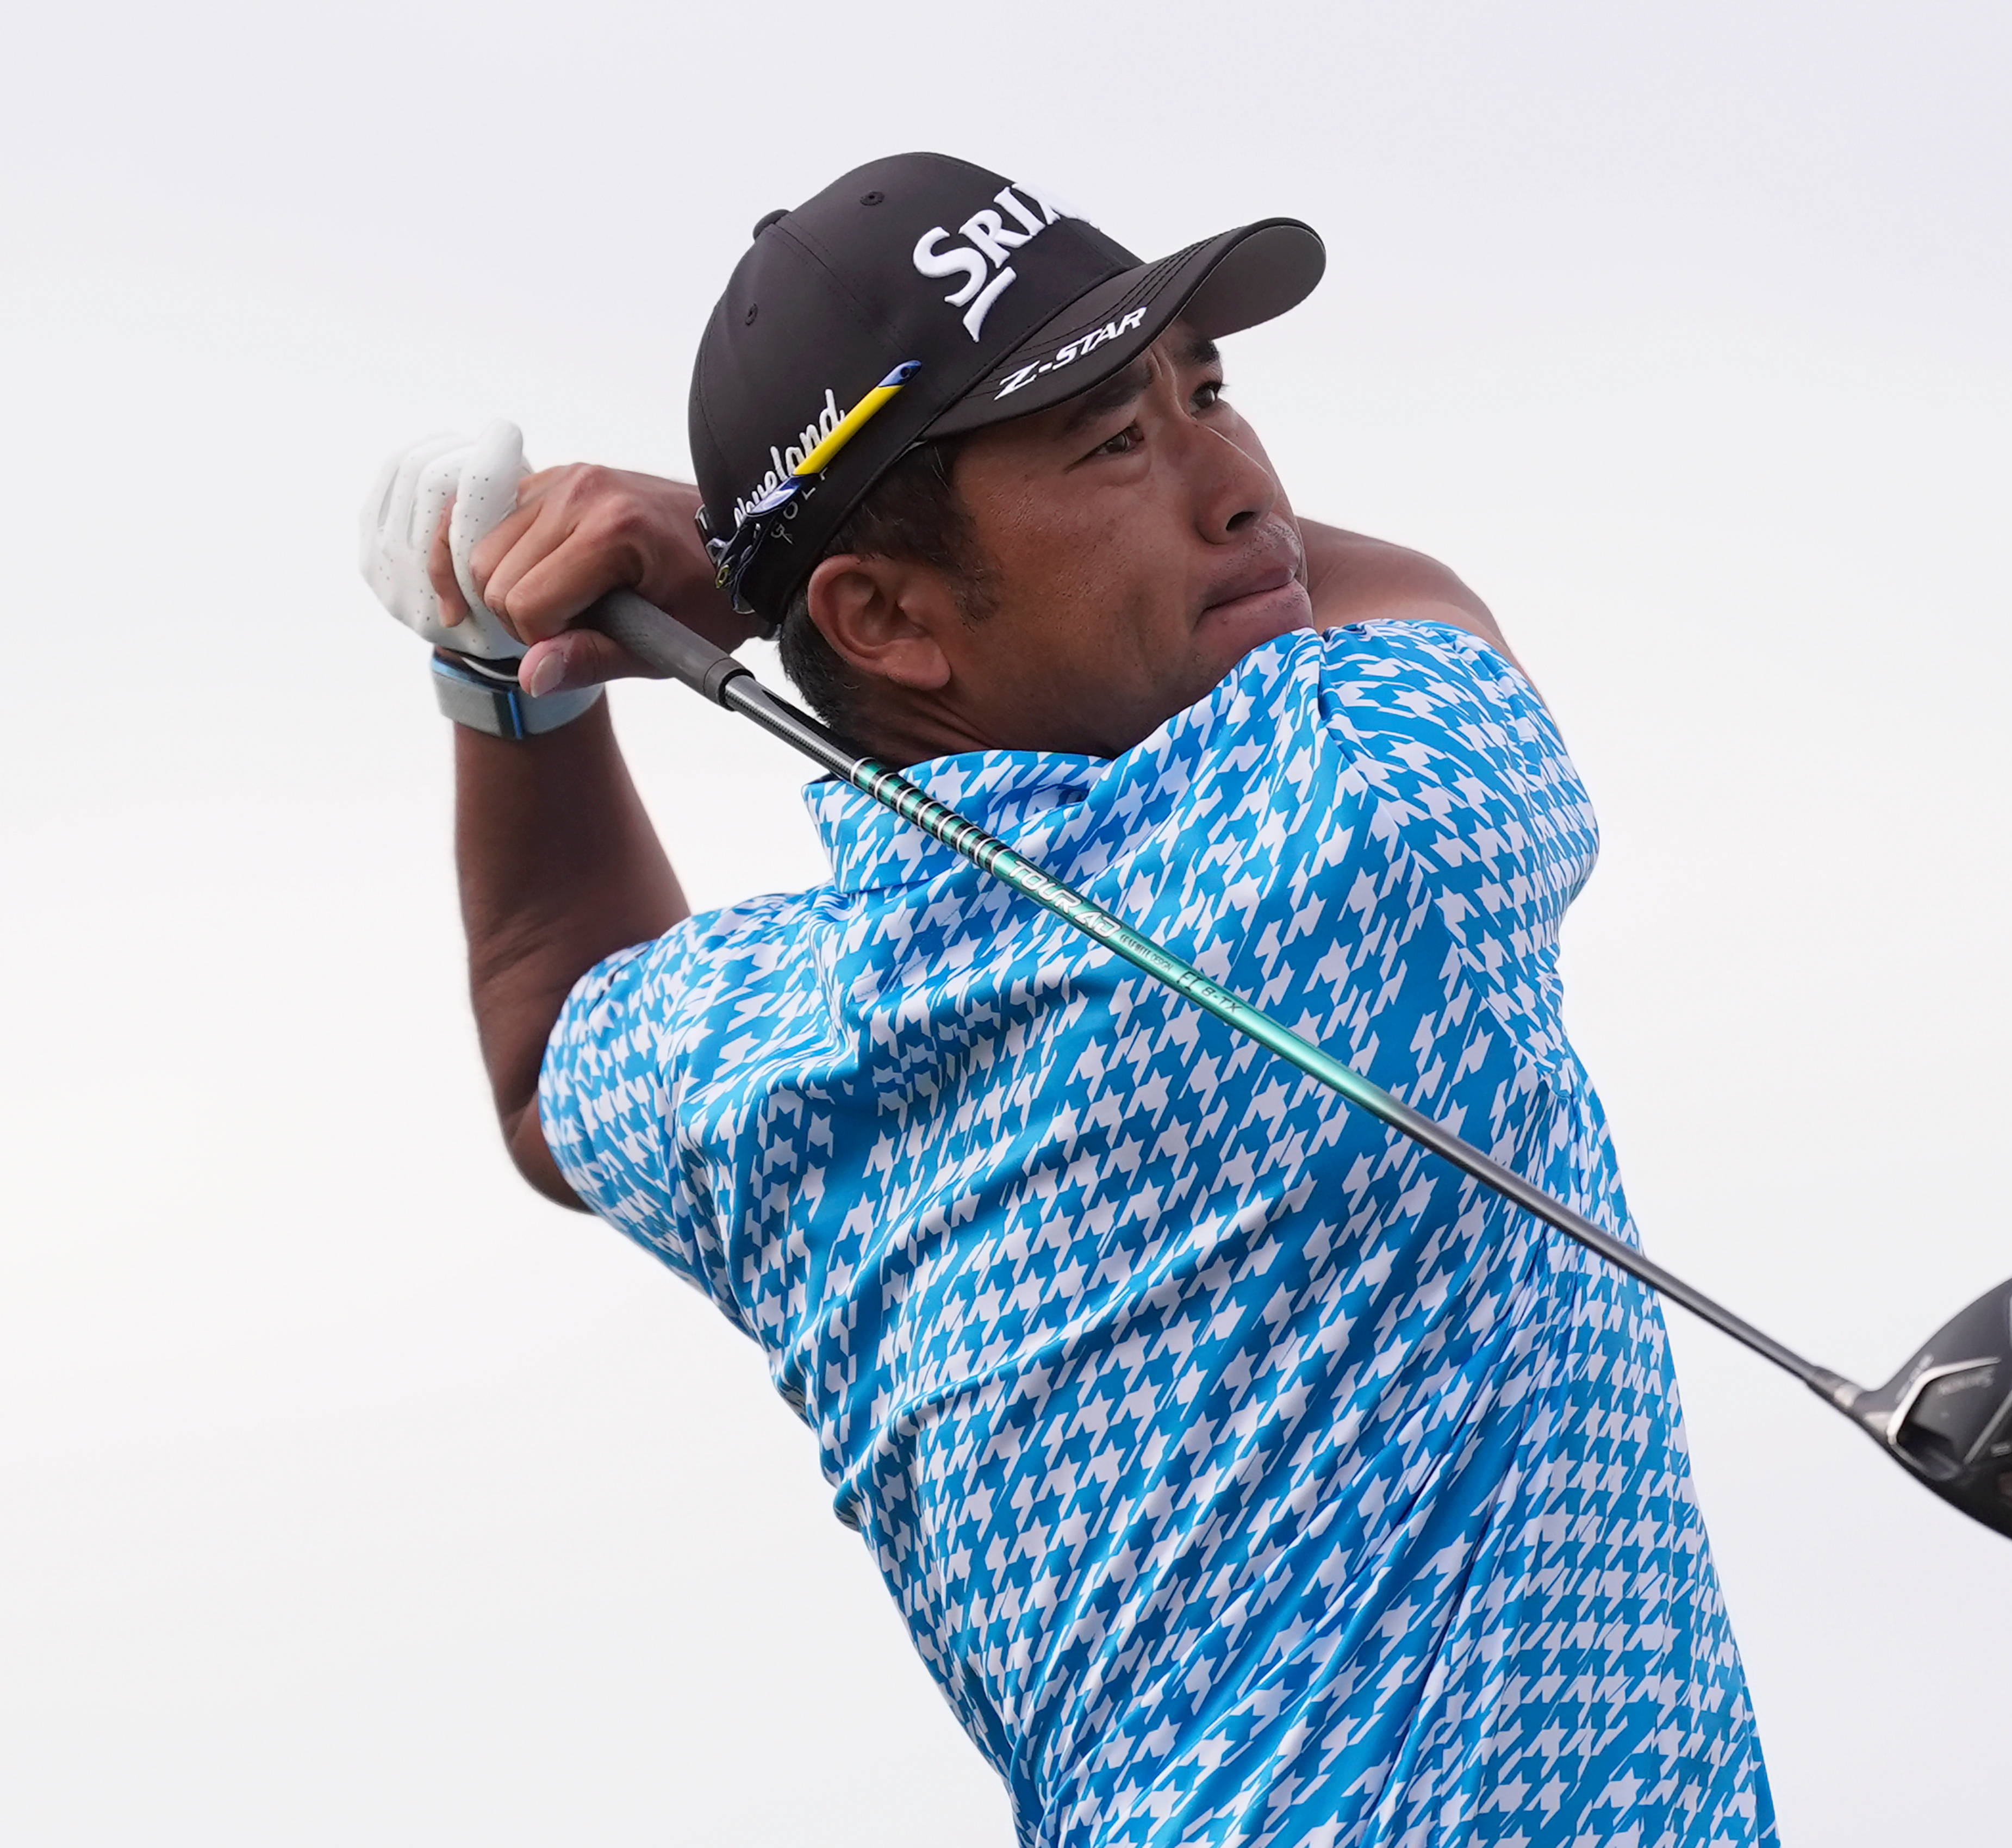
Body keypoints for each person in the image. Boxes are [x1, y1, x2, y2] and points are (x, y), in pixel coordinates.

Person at [359, 153, 1779, 1846]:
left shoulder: (758, 1043)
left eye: (1208, 393)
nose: (1238, 488)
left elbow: (548, 1054)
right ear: (883, 620)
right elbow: (1421, 605)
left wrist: (506, 680)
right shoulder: (1364, 819)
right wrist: (724, 564)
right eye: (1113, 443)